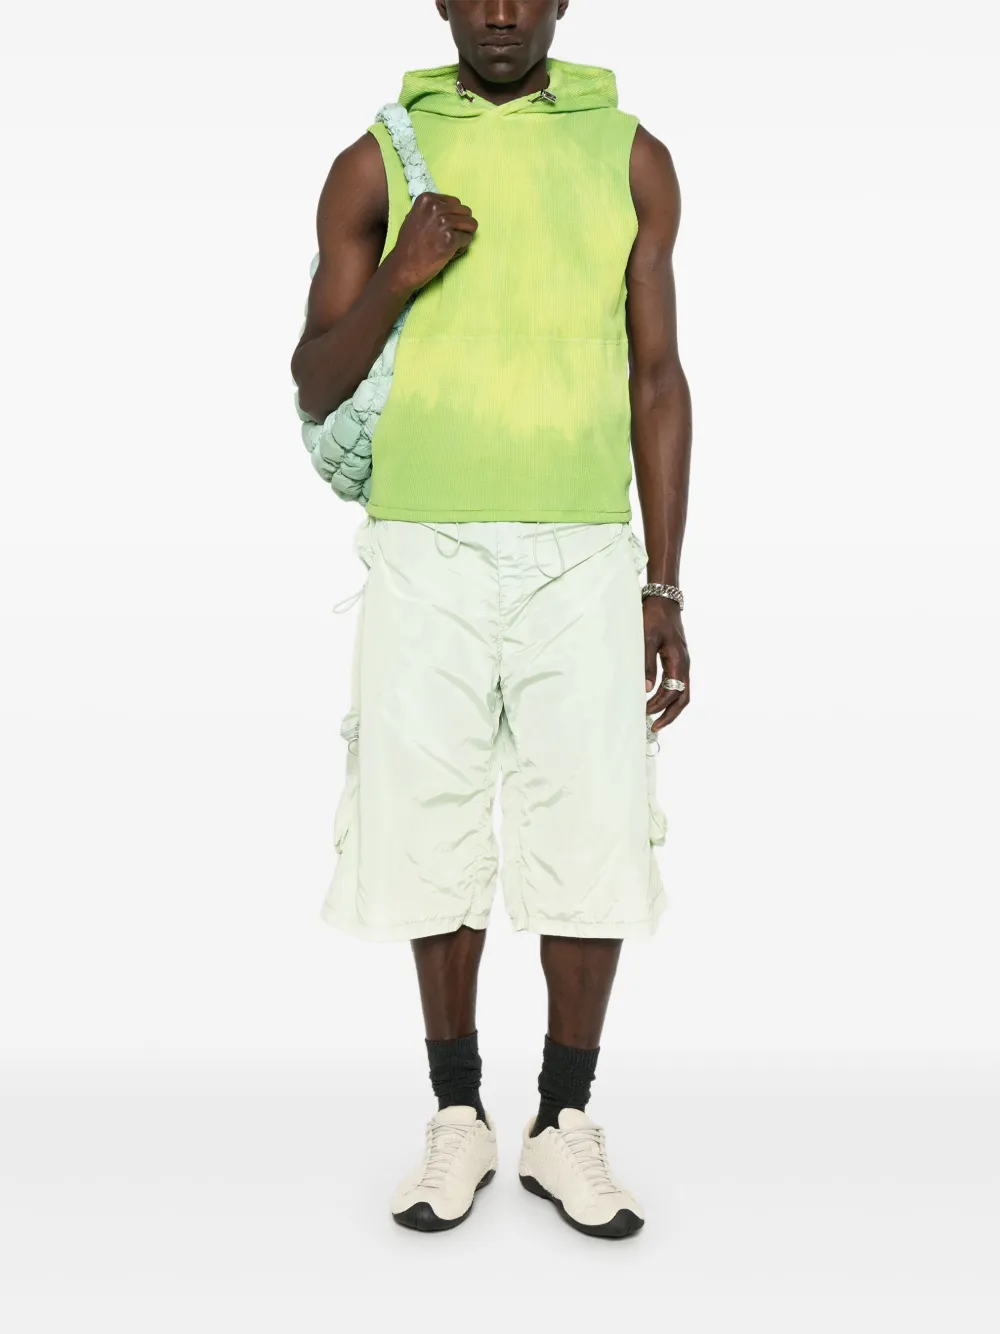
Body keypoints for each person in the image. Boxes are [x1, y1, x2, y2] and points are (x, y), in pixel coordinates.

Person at [290, 0, 691, 1240]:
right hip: (425, 544)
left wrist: (663, 583)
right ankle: (457, 1111)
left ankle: (562, 1120)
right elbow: (314, 376)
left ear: (562, 0)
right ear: (443, 2)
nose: (503, 11)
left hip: (583, 548)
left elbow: (657, 375)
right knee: (429, 822)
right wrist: (401, 270)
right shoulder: (377, 156)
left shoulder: (628, 152)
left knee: (594, 828)